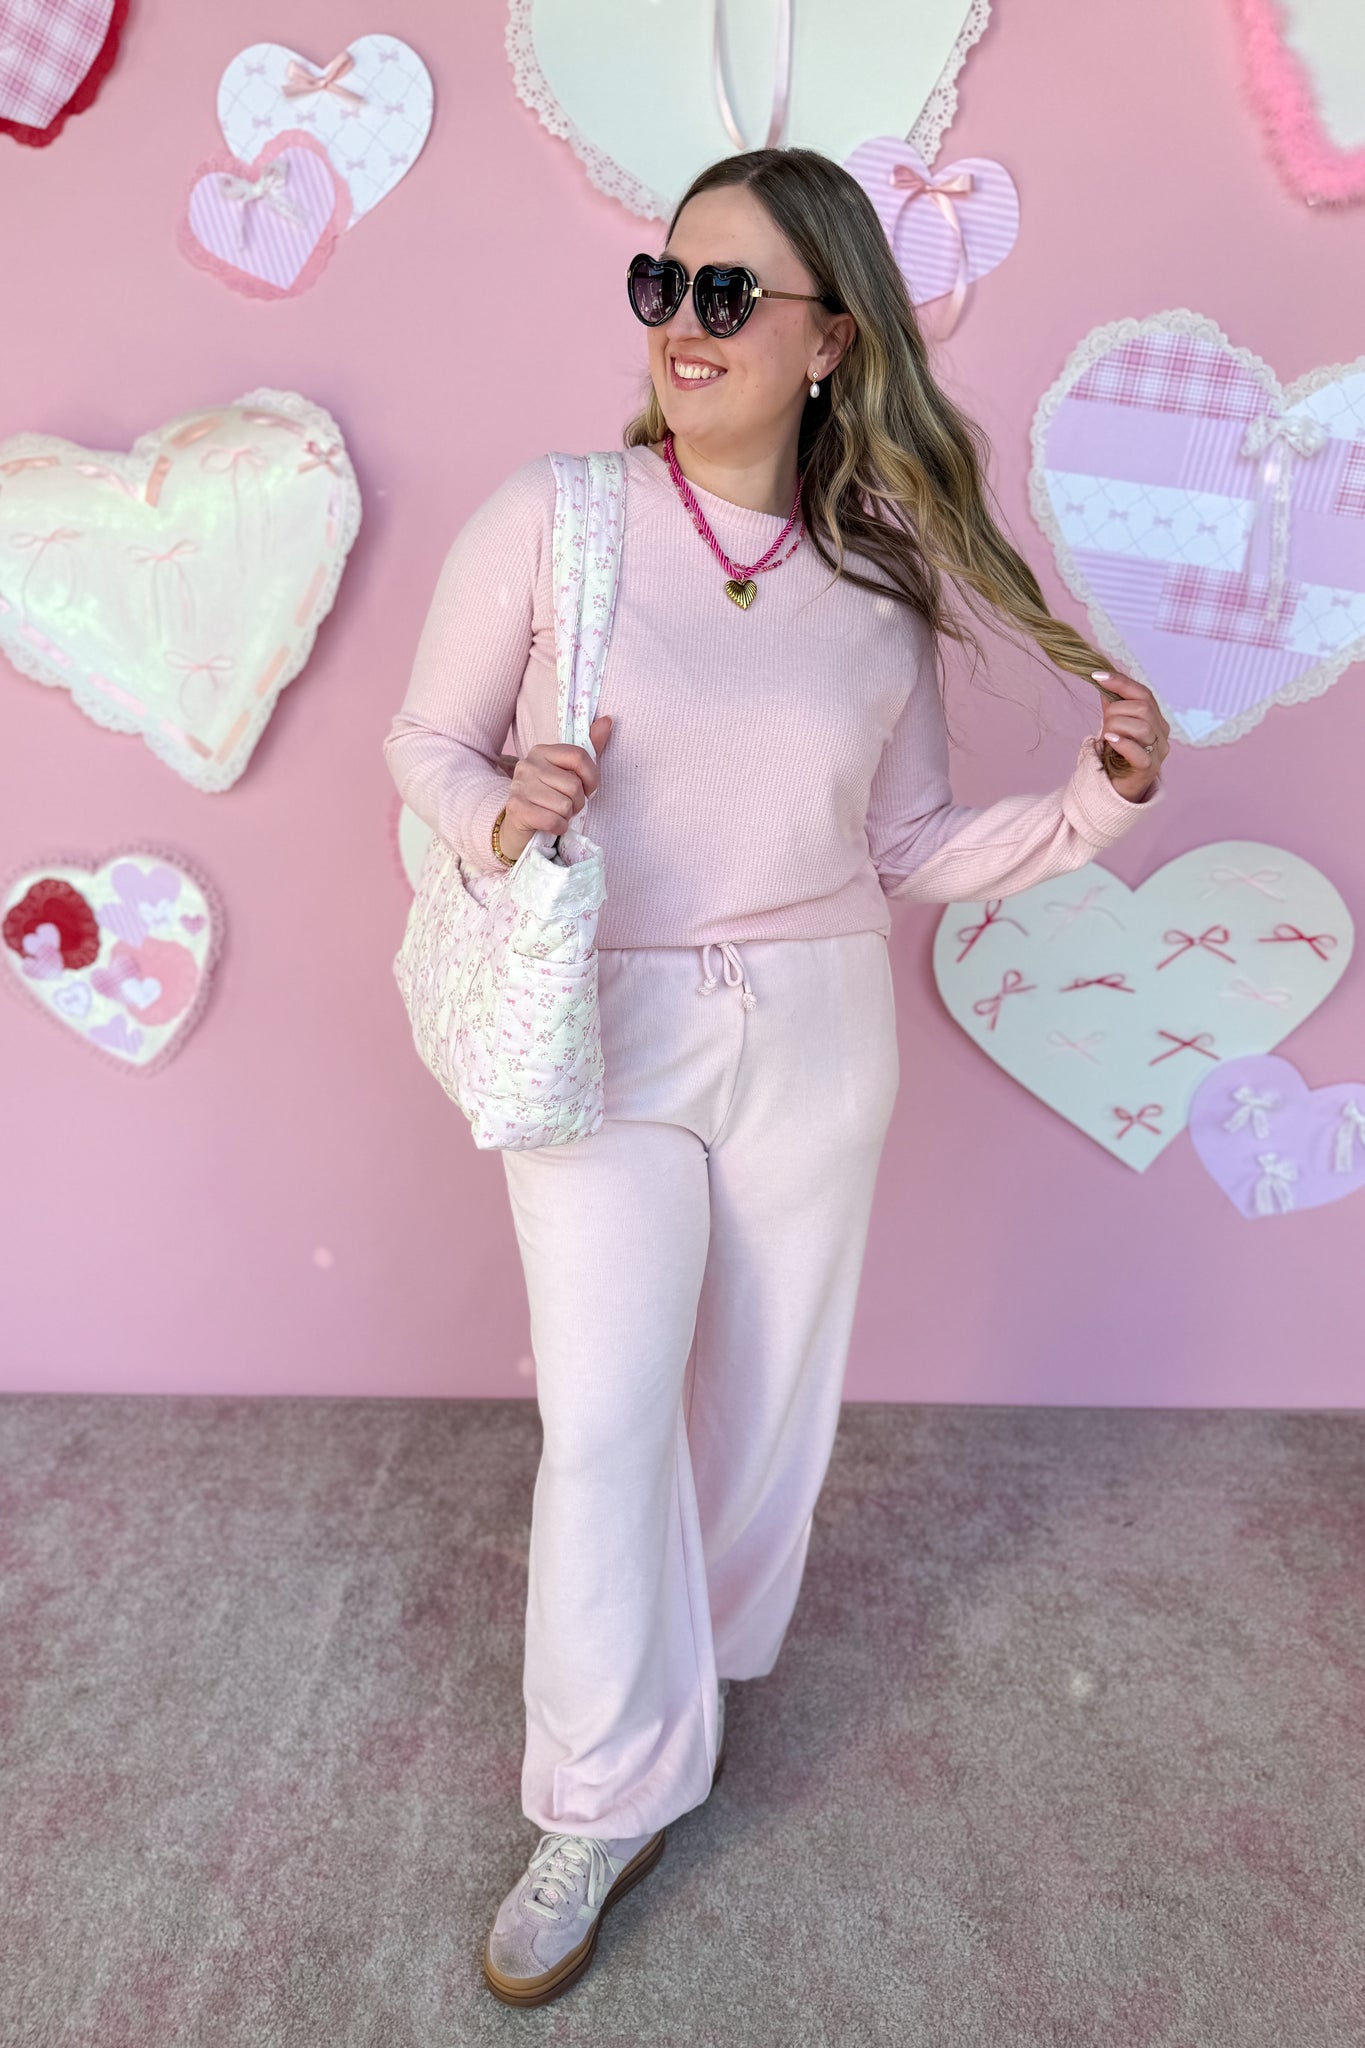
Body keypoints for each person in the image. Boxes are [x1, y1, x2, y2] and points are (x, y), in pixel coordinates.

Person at [383, 146, 1169, 2009]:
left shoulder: (877, 591)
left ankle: (699, 1679)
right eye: (664, 284)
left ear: (830, 342)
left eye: (729, 294)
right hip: (601, 1022)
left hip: (816, 1026)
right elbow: (426, 738)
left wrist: (1087, 807)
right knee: (606, 1419)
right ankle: (598, 1796)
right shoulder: (557, 517)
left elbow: (901, 847)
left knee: (764, 1415)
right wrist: (503, 812)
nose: (685, 324)